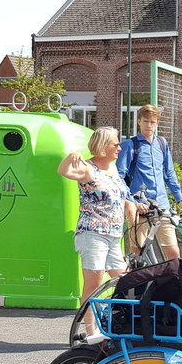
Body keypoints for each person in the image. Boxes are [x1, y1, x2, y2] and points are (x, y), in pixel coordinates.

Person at [59, 126, 134, 338]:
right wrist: (70, 157)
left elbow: (123, 196)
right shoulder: (89, 168)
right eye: (115, 144)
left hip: (113, 234)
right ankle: (89, 332)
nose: (119, 147)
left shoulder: (113, 169)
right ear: (103, 146)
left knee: (123, 279)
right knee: (94, 284)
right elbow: (63, 171)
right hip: (93, 232)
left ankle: (115, 324)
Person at [115, 104, 182, 261]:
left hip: (163, 207)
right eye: (145, 121)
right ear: (139, 122)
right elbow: (118, 178)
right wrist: (132, 202)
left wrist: (180, 201)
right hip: (140, 208)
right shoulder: (130, 145)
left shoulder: (162, 144)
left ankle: (170, 285)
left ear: (157, 123)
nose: (149, 125)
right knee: (136, 255)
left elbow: (169, 173)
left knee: (174, 255)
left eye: (153, 122)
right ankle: (137, 286)